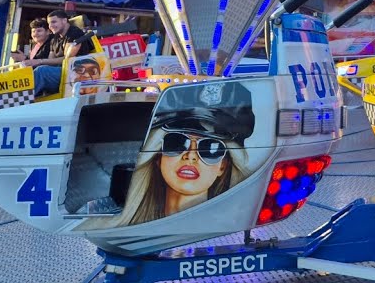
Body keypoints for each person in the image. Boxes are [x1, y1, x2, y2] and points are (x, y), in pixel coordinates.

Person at [88, 81, 254, 226]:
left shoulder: (238, 225)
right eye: (176, 142)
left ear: (223, 166)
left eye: (211, 148)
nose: (191, 155)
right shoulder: (106, 227)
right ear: (157, 157)